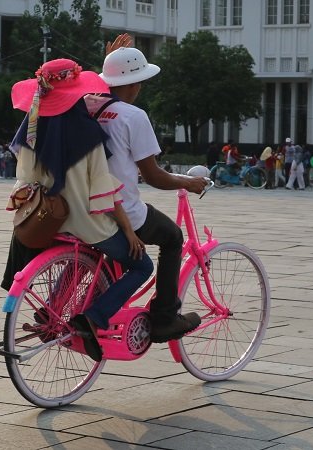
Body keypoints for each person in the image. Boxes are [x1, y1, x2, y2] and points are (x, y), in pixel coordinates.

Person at [4, 58, 153, 362]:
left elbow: (25, 179)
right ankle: (94, 316)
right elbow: (105, 192)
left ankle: (50, 312)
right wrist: (128, 231)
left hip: (49, 221)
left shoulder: (32, 128)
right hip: (86, 224)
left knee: (83, 257)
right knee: (142, 266)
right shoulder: (87, 132)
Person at [91, 42, 207, 343]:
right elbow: (153, 175)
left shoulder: (89, 105)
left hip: (85, 204)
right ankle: (165, 318)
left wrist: (109, 59)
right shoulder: (132, 116)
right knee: (172, 238)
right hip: (121, 208)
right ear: (136, 84)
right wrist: (187, 182)